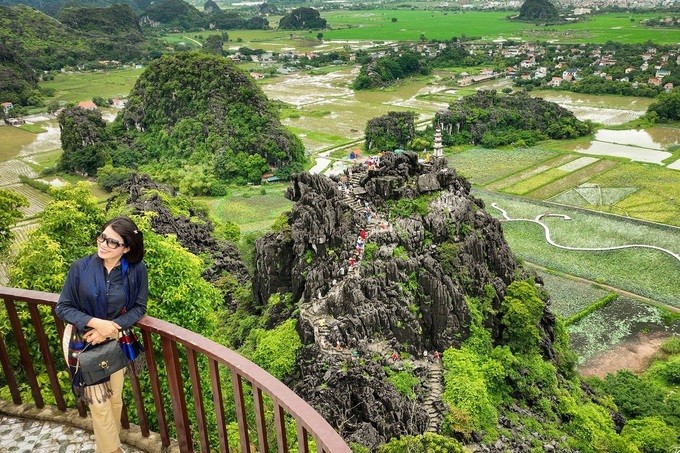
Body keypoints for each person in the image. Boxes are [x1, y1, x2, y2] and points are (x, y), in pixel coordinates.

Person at [56, 216, 147, 453]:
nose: (103, 244)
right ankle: (113, 450)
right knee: (99, 401)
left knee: (114, 398)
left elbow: (139, 307)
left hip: (114, 341)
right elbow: (63, 307)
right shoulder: (80, 267)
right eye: (102, 236)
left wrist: (111, 328)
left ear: (126, 248)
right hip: (81, 340)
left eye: (113, 242)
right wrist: (97, 324)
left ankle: (108, 444)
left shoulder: (136, 270)